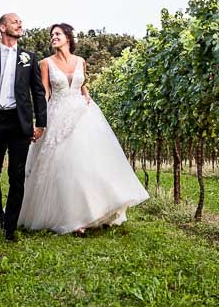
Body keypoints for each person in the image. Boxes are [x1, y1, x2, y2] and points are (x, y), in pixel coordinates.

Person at [19, 23, 149, 234]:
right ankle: (71, 218)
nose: (53, 37)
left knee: (87, 163)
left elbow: (81, 84)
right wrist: (39, 120)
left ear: (68, 38)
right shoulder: (45, 63)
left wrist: (87, 95)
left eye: (58, 34)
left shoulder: (81, 61)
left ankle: (94, 212)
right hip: (57, 114)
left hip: (82, 115)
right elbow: (44, 93)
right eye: (52, 35)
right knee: (62, 166)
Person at [0, 13, 48, 241]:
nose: (20, 24)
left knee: (17, 175)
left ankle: (11, 226)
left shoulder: (29, 58)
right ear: (3, 27)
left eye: (21, 22)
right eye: (15, 22)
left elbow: (38, 92)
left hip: (19, 121)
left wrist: (40, 122)